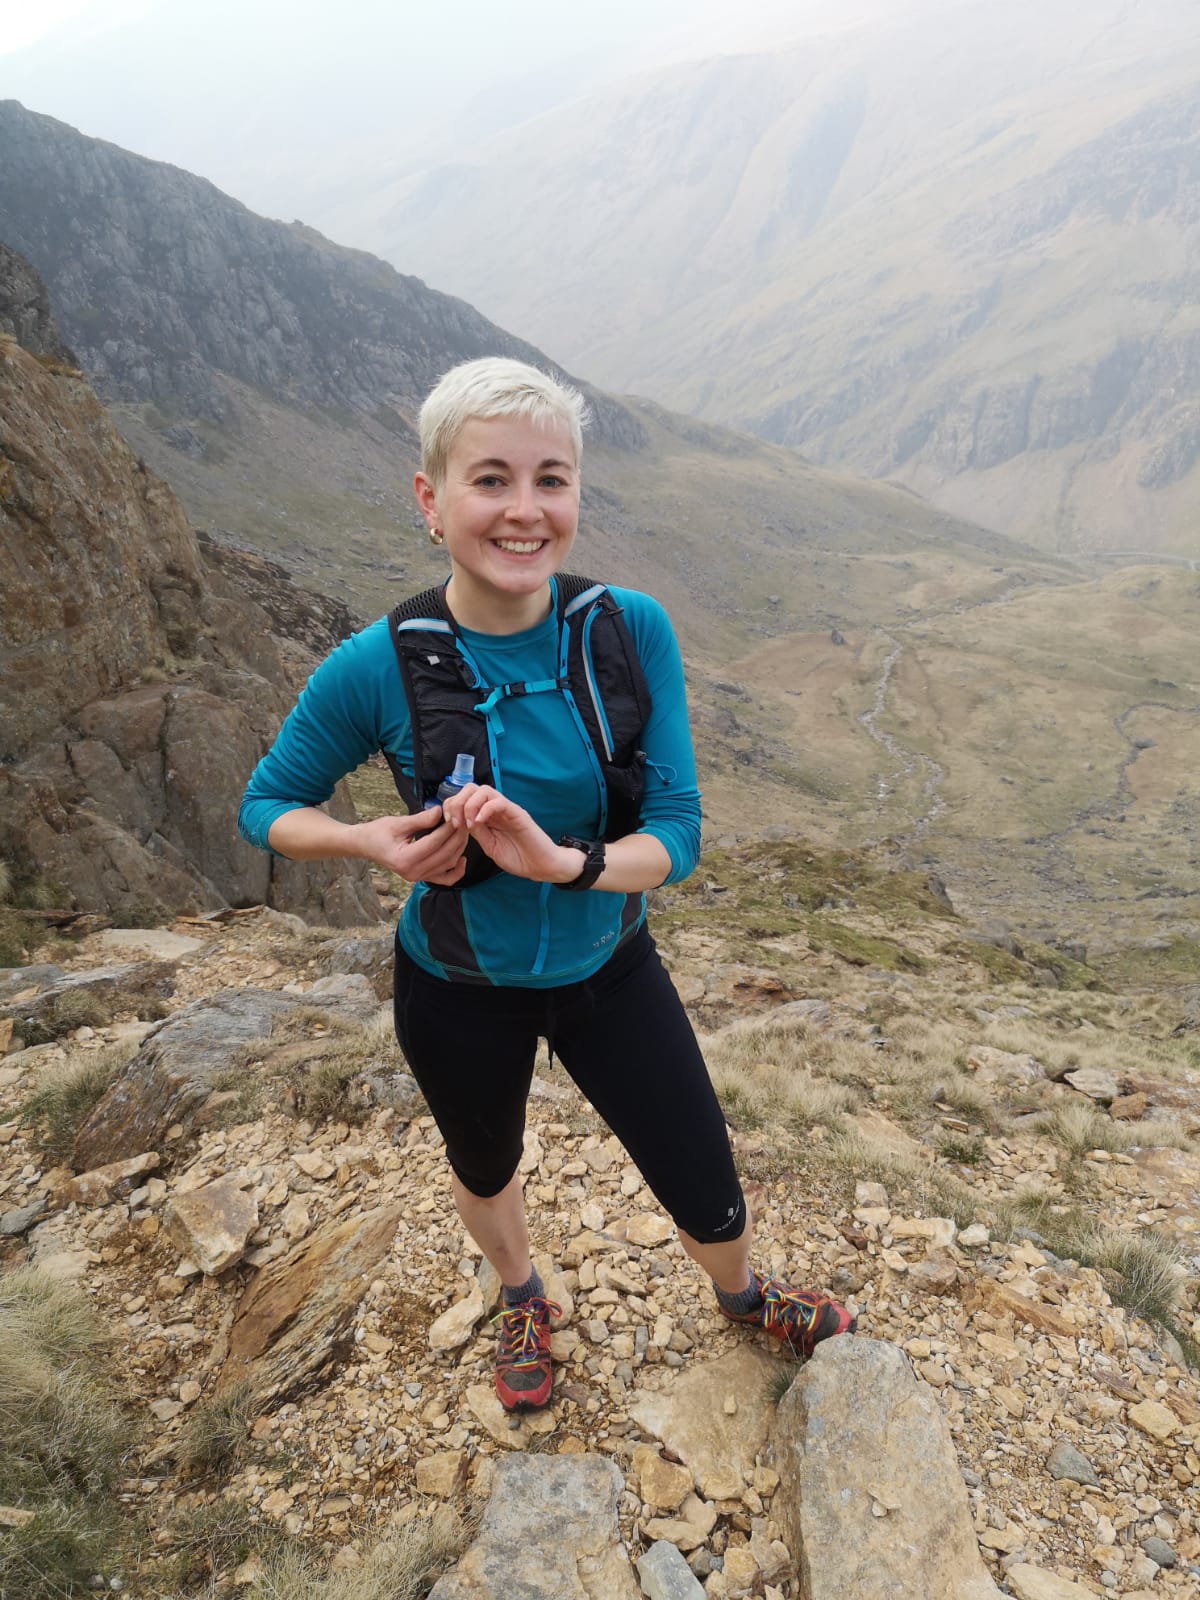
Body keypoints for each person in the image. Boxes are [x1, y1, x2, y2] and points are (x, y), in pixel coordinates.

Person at [238, 357, 856, 1412]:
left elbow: (678, 832)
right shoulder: (378, 663)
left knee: (700, 1170)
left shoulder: (628, 630)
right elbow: (268, 805)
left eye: (551, 480)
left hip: (610, 965)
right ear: (431, 499)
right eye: (490, 480)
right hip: (456, 984)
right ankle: (522, 1293)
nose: (525, 510)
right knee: (484, 1161)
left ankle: (745, 1296)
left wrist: (569, 864)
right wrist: (370, 842)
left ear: (575, 493)